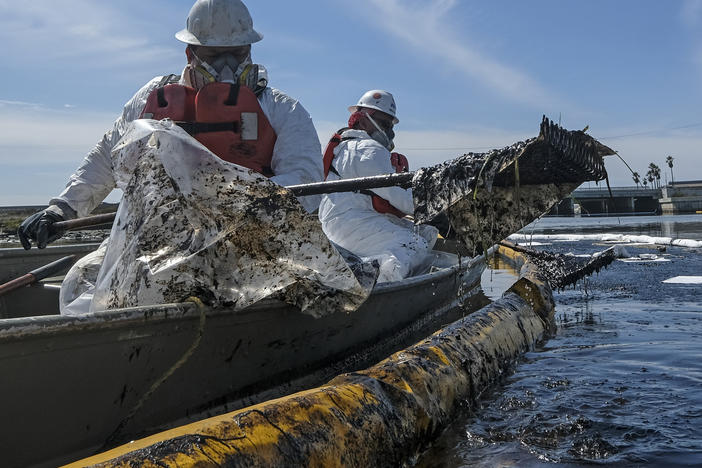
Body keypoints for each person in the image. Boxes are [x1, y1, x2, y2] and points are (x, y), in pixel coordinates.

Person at [18, 0, 322, 250]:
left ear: (250, 50)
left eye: (238, 53)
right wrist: (63, 208)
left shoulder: (282, 109)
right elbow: (107, 156)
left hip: (250, 241)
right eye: (215, 55)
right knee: (82, 287)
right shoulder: (151, 99)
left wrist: (233, 200)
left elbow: (306, 182)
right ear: (191, 53)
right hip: (154, 240)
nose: (228, 65)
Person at [318, 90, 438, 283]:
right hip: (353, 225)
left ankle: (373, 268)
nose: (390, 132)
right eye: (385, 124)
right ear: (363, 121)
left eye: (391, 126)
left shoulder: (344, 147)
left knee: (426, 232)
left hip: (340, 222)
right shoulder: (368, 150)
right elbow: (404, 201)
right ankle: (379, 282)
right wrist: (438, 207)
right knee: (414, 244)